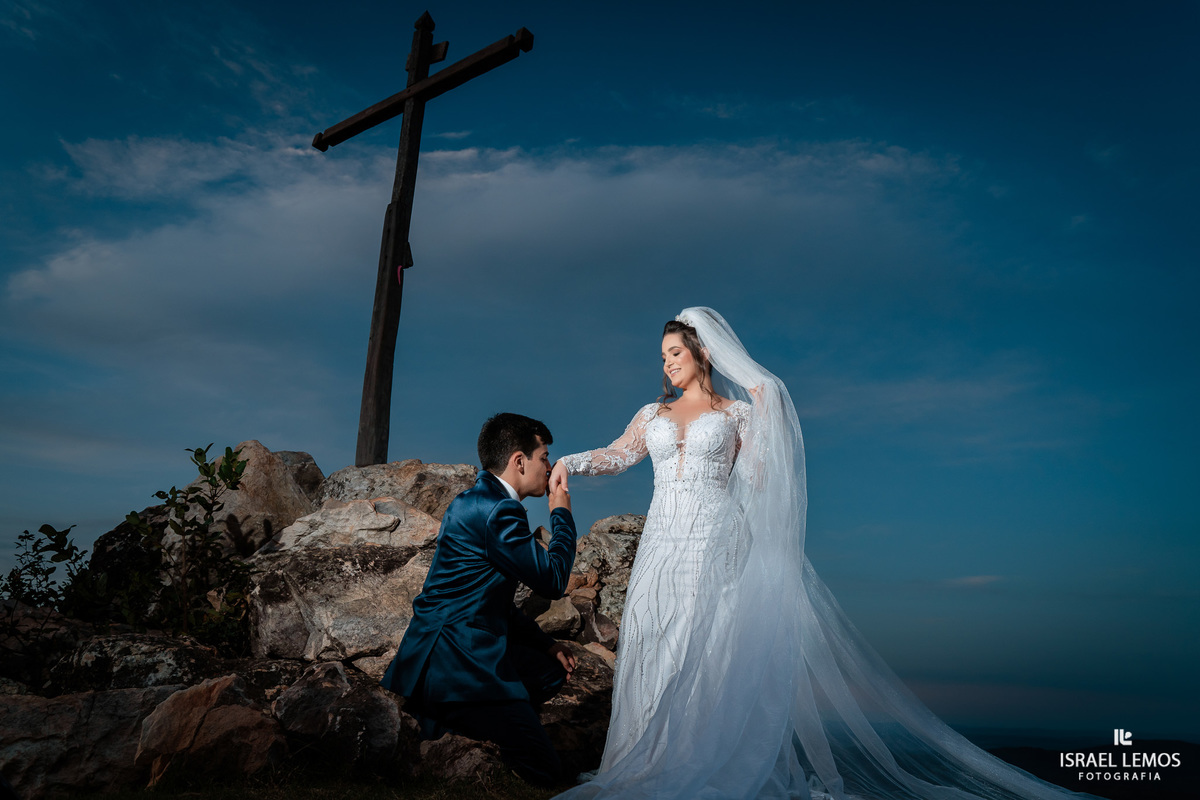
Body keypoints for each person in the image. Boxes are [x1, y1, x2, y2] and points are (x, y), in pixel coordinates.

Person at [548, 308, 1101, 800]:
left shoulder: (737, 414)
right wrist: (567, 462)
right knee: (657, 636)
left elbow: (761, 479)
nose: (667, 364)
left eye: (675, 353)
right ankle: (648, 760)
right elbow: (618, 456)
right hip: (663, 542)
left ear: (702, 353)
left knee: (709, 646)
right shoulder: (652, 414)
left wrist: (766, 417)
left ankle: (696, 759)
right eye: (663, 356)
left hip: (717, 540)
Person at [380, 412, 579, 787]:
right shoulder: (496, 510)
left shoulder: (481, 500)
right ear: (519, 461)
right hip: (456, 660)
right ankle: (463, 722)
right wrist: (562, 516)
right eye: (544, 457)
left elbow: (493, 600)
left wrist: (546, 643)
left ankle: (476, 722)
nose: (549, 466)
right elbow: (553, 580)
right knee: (549, 773)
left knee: (549, 667)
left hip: (460, 646)